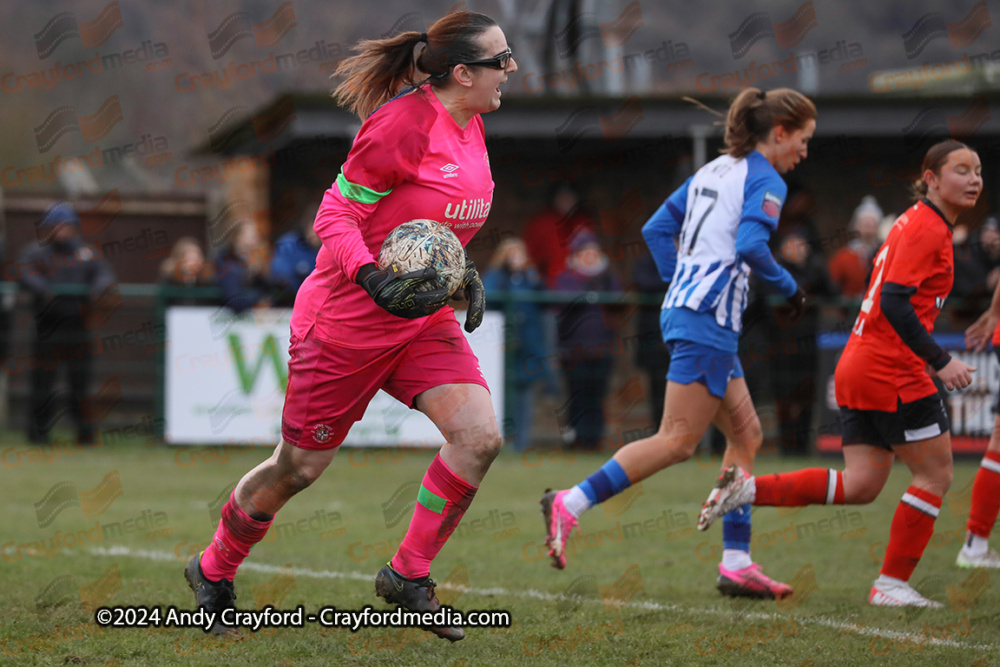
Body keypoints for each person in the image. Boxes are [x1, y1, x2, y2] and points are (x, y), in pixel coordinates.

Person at [183, 11, 516, 641]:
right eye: (502, 59)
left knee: (479, 437)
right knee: (298, 469)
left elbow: (427, 229)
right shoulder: (401, 125)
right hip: (346, 323)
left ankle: (406, 577)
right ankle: (212, 568)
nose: (512, 69)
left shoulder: (472, 125)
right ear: (463, 72)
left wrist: (458, 273)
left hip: (418, 322)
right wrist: (368, 276)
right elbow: (333, 216)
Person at [540, 87, 815, 601]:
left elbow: (656, 227)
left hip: (695, 312)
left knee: (747, 434)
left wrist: (680, 281)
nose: (805, 149)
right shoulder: (764, 177)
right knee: (677, 441)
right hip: (707, 318)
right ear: (779, 132)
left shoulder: (713, 170)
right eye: (804, 138)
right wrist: (789, 287)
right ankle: (570, 503)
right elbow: (753, 245)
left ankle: (736, 562)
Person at [699, 140, 984, 607]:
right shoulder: (928, 228)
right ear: (930, 178)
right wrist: (941, 359)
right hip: (892, 369)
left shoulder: (914, 221)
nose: (974, 179)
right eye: (961, 170)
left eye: (977, 171)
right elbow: (893, 300)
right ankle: (891, 585)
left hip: (860, 362)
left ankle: (745, 489)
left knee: (861, 484)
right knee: (936, 475)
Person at [17, 202, 116, 445]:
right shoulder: (35, 252)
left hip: (78, 326)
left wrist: (97, 289)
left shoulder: (86, 253)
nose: (62, 230)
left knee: (80, 384)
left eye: (67, 225)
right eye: (57, 225)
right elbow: (25, 272)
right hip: (47, 327)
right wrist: (44, 289)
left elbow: (104, 274)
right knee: (42, 384)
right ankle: (38, 435)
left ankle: (85, 436)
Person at [770, 231, 840, 455]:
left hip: (810, 344)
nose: (799, 250)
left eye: (802, 244)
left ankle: (803, 445)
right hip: (781, 345)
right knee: (785, 396)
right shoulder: (775, 269)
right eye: (793, 244)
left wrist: (818, 267)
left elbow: (833, 292)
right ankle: (786, 445)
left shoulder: (815, 268)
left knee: (807, 395)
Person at [552, 228, 622, 451]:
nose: (590, 256)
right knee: (577, 396)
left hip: (602, 348)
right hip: (573, 349)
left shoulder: (608, 277)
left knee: (597, 395)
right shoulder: (566, 277)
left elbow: (619, 303)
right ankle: (576, 440)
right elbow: (562, 304)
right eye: (585, 252)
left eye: (594, 251)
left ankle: (594, 440)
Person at [482, 237, 552, 451]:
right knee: (500, 396)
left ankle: (520, 443)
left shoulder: (530, 277)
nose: (516, 259)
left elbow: (544, 301)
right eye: (512, 254)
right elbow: (488, 299)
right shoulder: (495, 277)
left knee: (524, 395)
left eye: (520, 254)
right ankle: (499, 441)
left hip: (527, 347)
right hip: (501, 346)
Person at [523, 183, 595, 288]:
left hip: (581, 285)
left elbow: (594, 254)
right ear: (554, 199)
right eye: (562, 197)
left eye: (570, 197)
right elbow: (529, 254)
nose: (566, 201)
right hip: (550, 285)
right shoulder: (542, 222)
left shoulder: (583, 222)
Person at [631, 248, 671, 427]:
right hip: (655, 340)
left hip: (687, 341)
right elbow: (643, 283)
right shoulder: (647, 262)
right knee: (659, 391)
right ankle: (661, 430)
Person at [828, 195, 883, 298]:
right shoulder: (843, 257)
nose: (868, 226)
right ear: (856, 225)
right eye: (864, 223)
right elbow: (832, 286)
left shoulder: (886, 254)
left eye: (872, 223)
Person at [270, 200, 323, 306]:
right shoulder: (288, 245)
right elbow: (281, 279)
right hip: (288, 306)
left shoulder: (332, 249)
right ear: (307, 225)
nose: (316, 233)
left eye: (322, 228)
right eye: (313, 226)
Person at [214, 221, 272, 313]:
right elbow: (235, 300)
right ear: (238, 237)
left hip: (253, 319)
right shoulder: (227, 261)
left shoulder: (258, 260)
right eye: (251, 235)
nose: (256, 238)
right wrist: (259, 298)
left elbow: (272, 289)